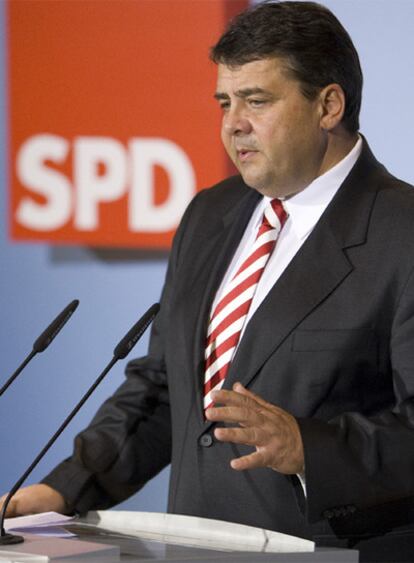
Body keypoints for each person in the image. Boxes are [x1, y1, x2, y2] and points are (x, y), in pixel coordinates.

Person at [3, 1, 414, 560]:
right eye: (225, 101)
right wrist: (64, 489)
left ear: (329, 105)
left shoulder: (401, 233)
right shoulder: (211, 214)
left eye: (257, 100)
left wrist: (307, 448)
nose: (232, 123)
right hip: (194, 547)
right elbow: (165, 388)